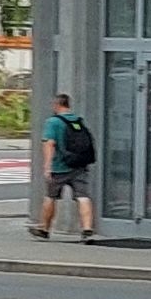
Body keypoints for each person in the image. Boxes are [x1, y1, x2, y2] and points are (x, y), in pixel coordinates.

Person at [34, 94, 98, 241]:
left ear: (57, 105)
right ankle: (87, 230)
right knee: (83, 197)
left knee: (51, 197)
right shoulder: (78, 120)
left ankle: (44, 228)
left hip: (59, 167)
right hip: (79, 166)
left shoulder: (53, 122)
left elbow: (49, 143)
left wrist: (47, 166)